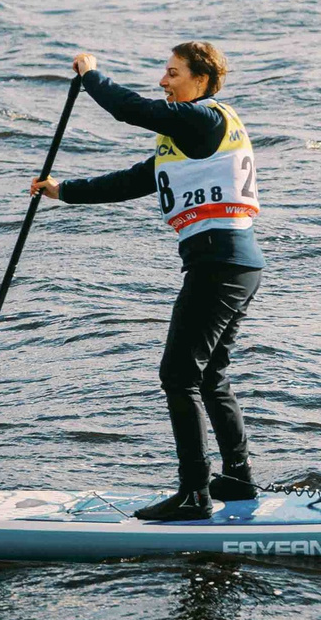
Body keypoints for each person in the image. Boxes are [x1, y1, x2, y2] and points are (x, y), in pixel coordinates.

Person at [31, 42, 263, 521]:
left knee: (178, 376)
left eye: (173, 73)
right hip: (236, 264)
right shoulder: (189, 139)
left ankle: (194, 493)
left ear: (200, 81)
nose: (163, 81)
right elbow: (129, 181)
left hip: (218, 265)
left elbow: (128, 109)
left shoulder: (203, 119)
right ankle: (237, 479)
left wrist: (90, 75)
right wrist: (63, 192)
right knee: (210, 374)